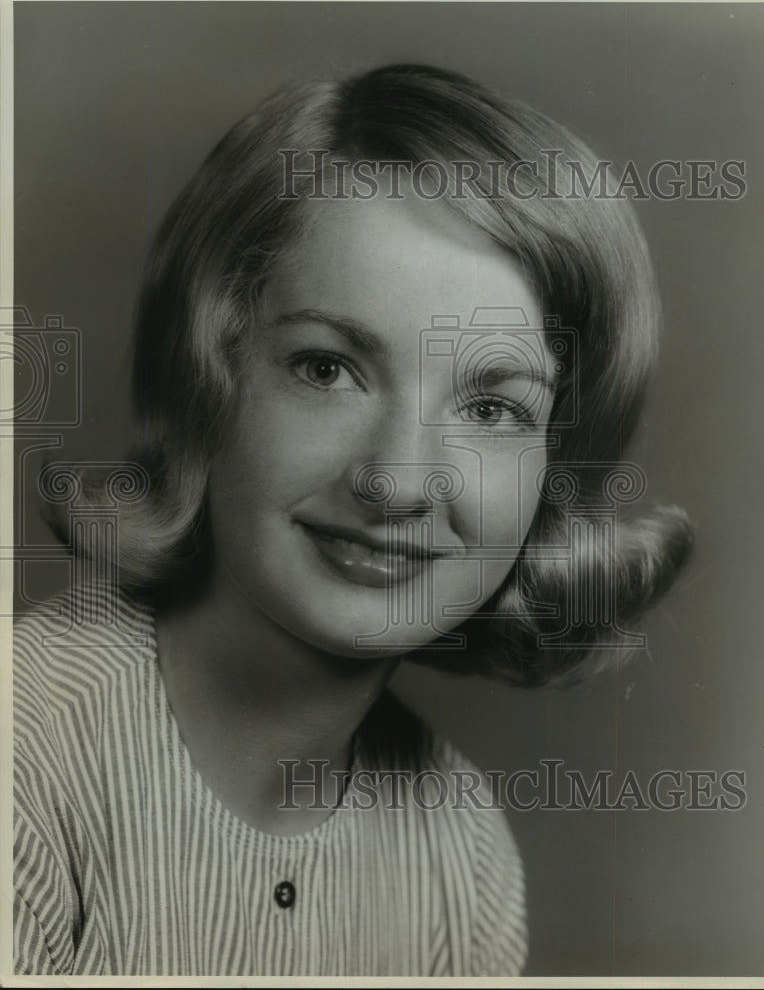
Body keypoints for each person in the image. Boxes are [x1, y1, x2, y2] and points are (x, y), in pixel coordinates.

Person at [13, 64, 693, 976]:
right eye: (327, 369)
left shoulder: (461, 855)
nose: (396, 481)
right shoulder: (26, 756)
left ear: (553, 477)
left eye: (492, 408)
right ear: (207, 376)